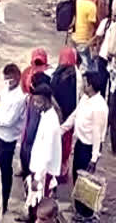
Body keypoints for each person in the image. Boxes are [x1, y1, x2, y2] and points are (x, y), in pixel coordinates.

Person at [62, 71, 108, 219]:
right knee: (76, 177)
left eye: (85, 82)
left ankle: (86, 215)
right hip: (81, 144)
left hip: (89, 149)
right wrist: (61, 130)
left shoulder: (99, 107)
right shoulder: (85, 99)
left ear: (91, 85)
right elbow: (74, 115)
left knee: (86, 183)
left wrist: (94, 158)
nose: (82, 85)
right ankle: (79, 210)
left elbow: (97, 133)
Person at [0, 63, 26, 213]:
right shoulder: (8, 90)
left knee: (4, 171)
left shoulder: (19, 98)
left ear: (16, 78)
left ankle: (3, 203)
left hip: (7, 139)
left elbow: (9, 121)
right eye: (6, 79)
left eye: (9, 79)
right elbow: (0, 95)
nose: (7, 82)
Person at [27, 84, 62, 223]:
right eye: (35, 101)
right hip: (39, 170)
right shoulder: (45, 115)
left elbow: (47, 155)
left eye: (39, 102)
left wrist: (37, 177)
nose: (36, 105)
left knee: (41, 210)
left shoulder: (51, 122)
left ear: (47, 100)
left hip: (44, 175)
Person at [50, 47, 77, 183]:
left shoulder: (57, 75)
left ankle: (56, 169)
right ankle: (62, 171)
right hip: (69, 117)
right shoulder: (75, 76)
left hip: (58, 116)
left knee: (57, 143)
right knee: (65, 145)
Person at [72, 0, 98, 69]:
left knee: (76, 63)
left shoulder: (78, 0)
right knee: (88, 68)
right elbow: (92, 26)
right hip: (84, 40)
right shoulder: (91, 6)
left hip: (75, 36)